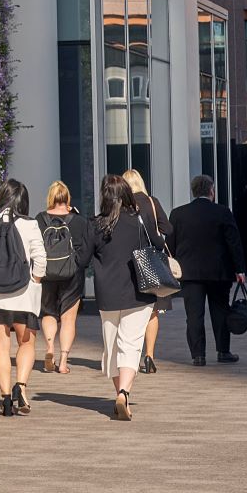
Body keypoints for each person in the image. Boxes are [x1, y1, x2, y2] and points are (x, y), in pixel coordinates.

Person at [0, 179, 48, 417]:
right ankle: (21, 387)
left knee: (1, 347)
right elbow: (41, 258)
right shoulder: (30, 224)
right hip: (22, 295)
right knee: (26, 343)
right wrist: (35, 281)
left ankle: (5, 398)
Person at [88, 173, 155, 421]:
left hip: (108, 293)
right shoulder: (139, 219)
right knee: (131, 343)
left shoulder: (95, 224)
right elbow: (157, 243)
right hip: (138, 290)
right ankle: (124, 393)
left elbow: (84, 258)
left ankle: (119, 393)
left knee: (112, 345)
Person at [167, 175, 247, 366]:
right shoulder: (222, 212)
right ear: (211, 191)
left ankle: (198, 355)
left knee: (194, 315)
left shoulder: (178, 214)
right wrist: (240, 269)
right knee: (220, 311)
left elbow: (170, 244)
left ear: (193, 192)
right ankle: (223, 351)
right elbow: (234, 243)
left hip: (190, 273)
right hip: (218, 273)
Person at [36, 181, 93, 374]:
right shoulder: (79, 221)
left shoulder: (40, 219)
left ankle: (50, 347)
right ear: (67, 199)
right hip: (72, 275)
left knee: (48, 313)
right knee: (68, 318)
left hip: (47, 274)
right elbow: (87, 251)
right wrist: (78, 264)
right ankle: (63, 361)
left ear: (50, 198)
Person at [122, 169, 173, 375]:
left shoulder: (122, 205)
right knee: (152, 312)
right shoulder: (152, 202)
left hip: (128, 263)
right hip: (151, 263)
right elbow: (167, 228)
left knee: (130, 310)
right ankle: (149, 355)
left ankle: (129, 357)